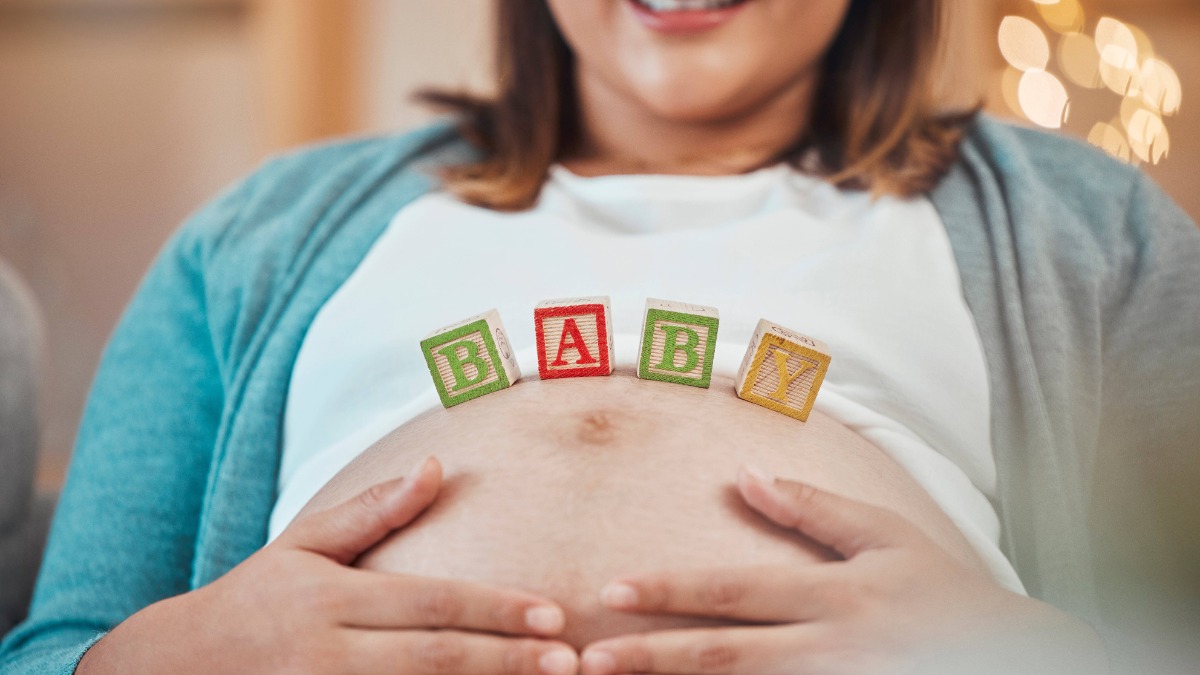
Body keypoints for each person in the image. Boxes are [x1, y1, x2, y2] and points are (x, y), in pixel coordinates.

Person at [3, 0, 1198, 673]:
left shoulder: (1088, 231)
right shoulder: (259, 237)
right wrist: (152, 664)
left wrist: (1044, 659)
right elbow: (56, 650)